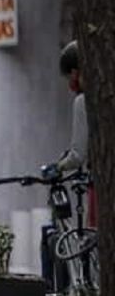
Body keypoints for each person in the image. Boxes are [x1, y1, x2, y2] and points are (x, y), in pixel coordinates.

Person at [47, 40, 96, 227]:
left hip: (100, 185)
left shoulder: (83, 101)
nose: (70, 83)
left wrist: (58, 167)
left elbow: (77, 156)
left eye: (69, 77)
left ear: (75, 72)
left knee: (95, 233)